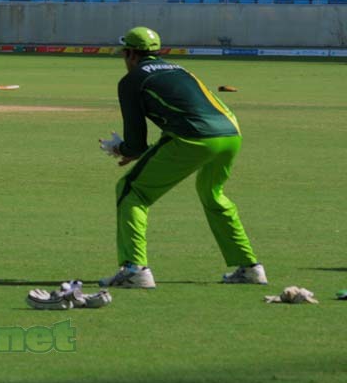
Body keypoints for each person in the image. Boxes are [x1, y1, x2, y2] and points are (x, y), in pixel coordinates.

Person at [97, 26, 266, 288]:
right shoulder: (180, 69)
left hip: (193, 137)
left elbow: (136, 142)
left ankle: (135, 269)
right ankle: (250, 267)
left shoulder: (131, 80)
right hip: (231, 133)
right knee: (212, 194)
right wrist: (137, 151)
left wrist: (122, 149)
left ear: (130, 54)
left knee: (132, 192)